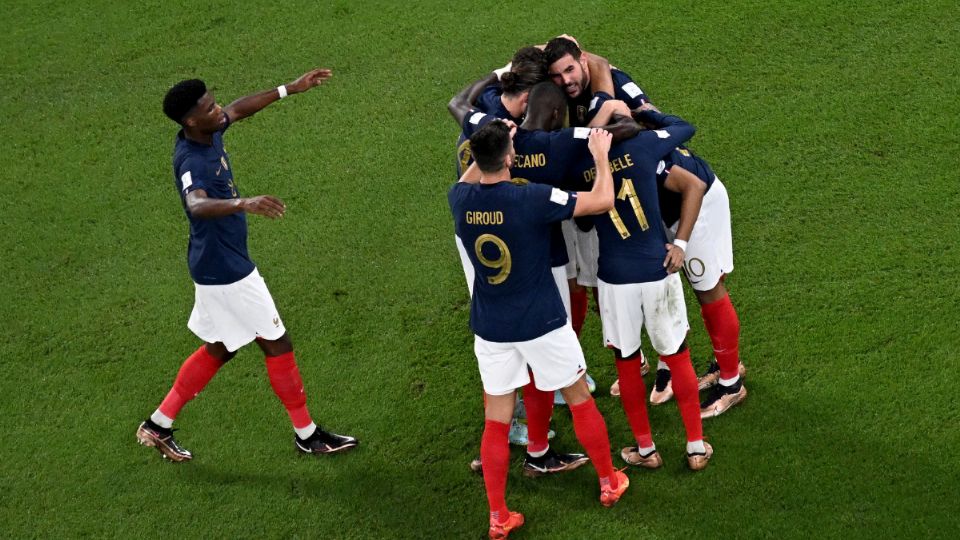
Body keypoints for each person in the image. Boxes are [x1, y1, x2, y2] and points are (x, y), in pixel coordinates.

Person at [135, 70, 357, 462]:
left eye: (213, 99)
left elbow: (238, 110)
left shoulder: (206, 130)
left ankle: (158, 424)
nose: (218, 108)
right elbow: (196, 205)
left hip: (215, 262)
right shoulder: (192, 160)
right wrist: (244, 203)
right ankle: (307, 435)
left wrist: (291, 88)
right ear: (190, 120)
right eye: (208, 107)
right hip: (227, 270)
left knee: (221, 347)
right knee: (277, 342)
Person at [449, 121, 628, 539]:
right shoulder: (531, 197)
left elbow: (469, 176)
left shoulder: (459, 199)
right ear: (511, 158)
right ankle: (608, 481)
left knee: (496, 420)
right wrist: (601, 156)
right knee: (579, 397)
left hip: (491, 328)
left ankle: (498, 515)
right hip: (541, 322)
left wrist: (490, 147)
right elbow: (601, 200)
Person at [572, 104, 713, 471]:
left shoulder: (580, 168)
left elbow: (584, 226)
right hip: (657, 269)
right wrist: (680, 243)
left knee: (628, 362)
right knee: (678, 356)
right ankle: (696, 447)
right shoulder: (646, 147)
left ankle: (646, 450)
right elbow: (686, 126)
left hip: (615, 279)